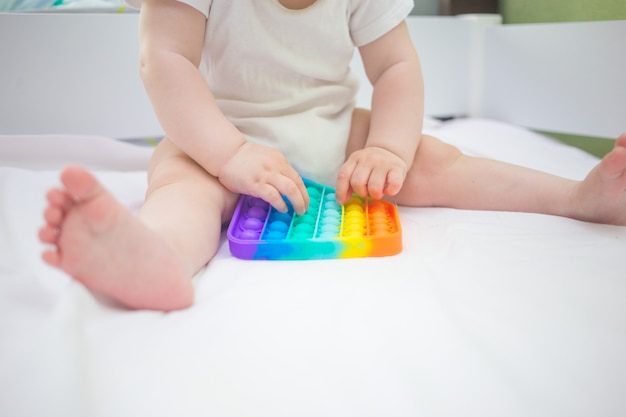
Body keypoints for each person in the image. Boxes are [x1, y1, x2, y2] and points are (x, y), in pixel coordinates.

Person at [38, 0, 626, 311]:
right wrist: (229, 153)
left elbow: (395, 67)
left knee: (438, 161)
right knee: (182, 191)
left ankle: (579, 198)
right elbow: (163, 59)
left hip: (336, 132)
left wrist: (388, 149)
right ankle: (156, 259)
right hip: (217, 138)